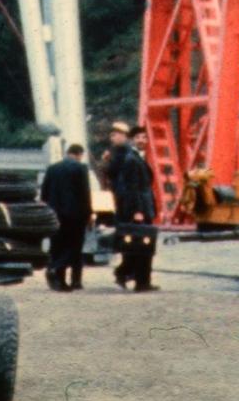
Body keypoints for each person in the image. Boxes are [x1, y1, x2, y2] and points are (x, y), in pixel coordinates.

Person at [102, 121, 157, 292]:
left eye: (145, 137)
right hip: (138, 209)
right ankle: (136, 279)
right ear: (131, 140)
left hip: (139, 207)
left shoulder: (134, 157)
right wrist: (138, 211)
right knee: (141, 246)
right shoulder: (132, 159)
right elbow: (132, 188)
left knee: (141, 246)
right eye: (138, 137)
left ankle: (138, 279)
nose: (142, 140)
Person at [38, 143, 92, 292]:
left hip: (54, 214)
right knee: (74, 247)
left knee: (57, 246)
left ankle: (60, 281)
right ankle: (61, 271)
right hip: (75, 215)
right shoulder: (81, 168)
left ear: (67, 153)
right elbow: (84, 194)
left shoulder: (52, 168)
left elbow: (44, 193)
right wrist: (89, 214)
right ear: (79, 154)